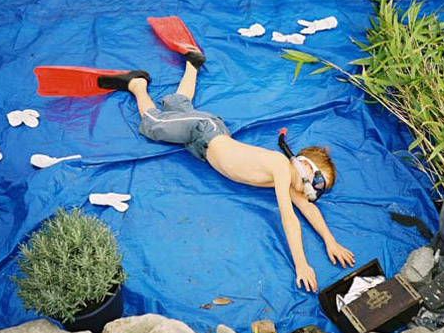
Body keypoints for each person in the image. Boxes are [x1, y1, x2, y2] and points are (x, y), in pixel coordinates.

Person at [126, 57, 355, 292]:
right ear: (304, 166)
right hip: (203, 130)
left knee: (179, 106)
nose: (314, 192)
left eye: (321, 190)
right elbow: (289, 218)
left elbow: (308, 209)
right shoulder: (280, 165)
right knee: (154, 123)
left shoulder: (289, 182)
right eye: (318, 182)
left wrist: (331, 241)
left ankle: (192, 66)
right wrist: (301, 265)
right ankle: (137, 84)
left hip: (203, 144)